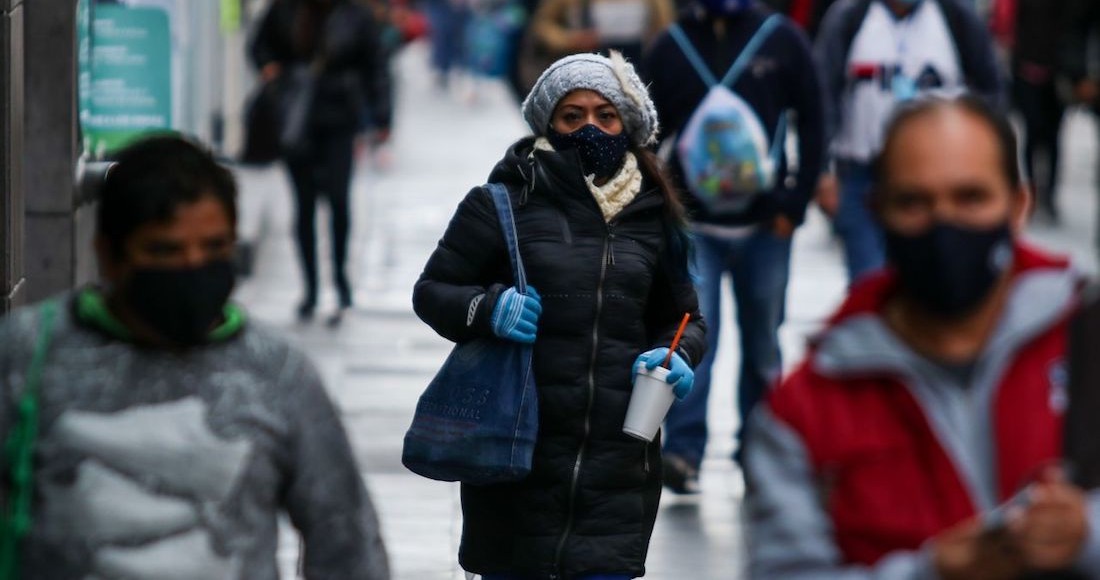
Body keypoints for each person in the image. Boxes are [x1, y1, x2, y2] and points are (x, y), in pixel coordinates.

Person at [0, 135, 389, 579]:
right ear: (109, 254)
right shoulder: (27, 355)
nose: (192, 266)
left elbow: (347, 546)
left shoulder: (277, 373)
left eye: (213, 249)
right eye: (165, 250)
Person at [744, 96, 1100, 578]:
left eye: (970, 197)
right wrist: (932, 572)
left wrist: (1084, 534)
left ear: (1019, 205)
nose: (943, 223)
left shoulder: (1086, 339)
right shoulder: (806, 410)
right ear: (877, 212)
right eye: (914, 203)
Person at [412, 52, 706, 579]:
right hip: (517, 458)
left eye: (605, 114)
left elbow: (686, 319)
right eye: (573, 116)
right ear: (549, 122)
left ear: (627, 125)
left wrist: (677, 352)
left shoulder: (654, 214)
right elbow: (434, 291)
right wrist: (487, 309)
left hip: (616, 467)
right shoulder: (502, 201)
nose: (590, 127)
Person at [642, 0, 826, 492]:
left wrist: (795, 202)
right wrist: (658, 207)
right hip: (693, 226)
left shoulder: (780, 38)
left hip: (767, 227)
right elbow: (643, 131)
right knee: (695, 341)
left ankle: (760, 453)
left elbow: (813, 116)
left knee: (764, 342)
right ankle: (683, 452)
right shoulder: (671, 46)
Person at [815, 0, 1001, 283]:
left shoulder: (954, 16)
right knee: (869, 281)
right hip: (864, 173)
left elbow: (992, 90)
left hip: (939, 176)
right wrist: (822, 171)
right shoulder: (851, 16)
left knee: (931, 279)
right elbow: (822, 95)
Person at [250, 0, 393, 324]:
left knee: (339, 200)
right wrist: (270, 68)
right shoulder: (284, 9)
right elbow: (258, 47)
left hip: (340, 115)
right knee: (304, 204)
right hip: (295, 117)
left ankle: (340, 284)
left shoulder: (355, 13)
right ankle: (310, 289)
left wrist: (382, 115)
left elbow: (376, 63)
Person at [991, 0, 1068, 223]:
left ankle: (1050, 194)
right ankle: (1033, 191)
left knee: (1053, 135)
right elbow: (1004, 25)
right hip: (1024, 69)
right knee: (1033, 130)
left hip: (1056, 71)